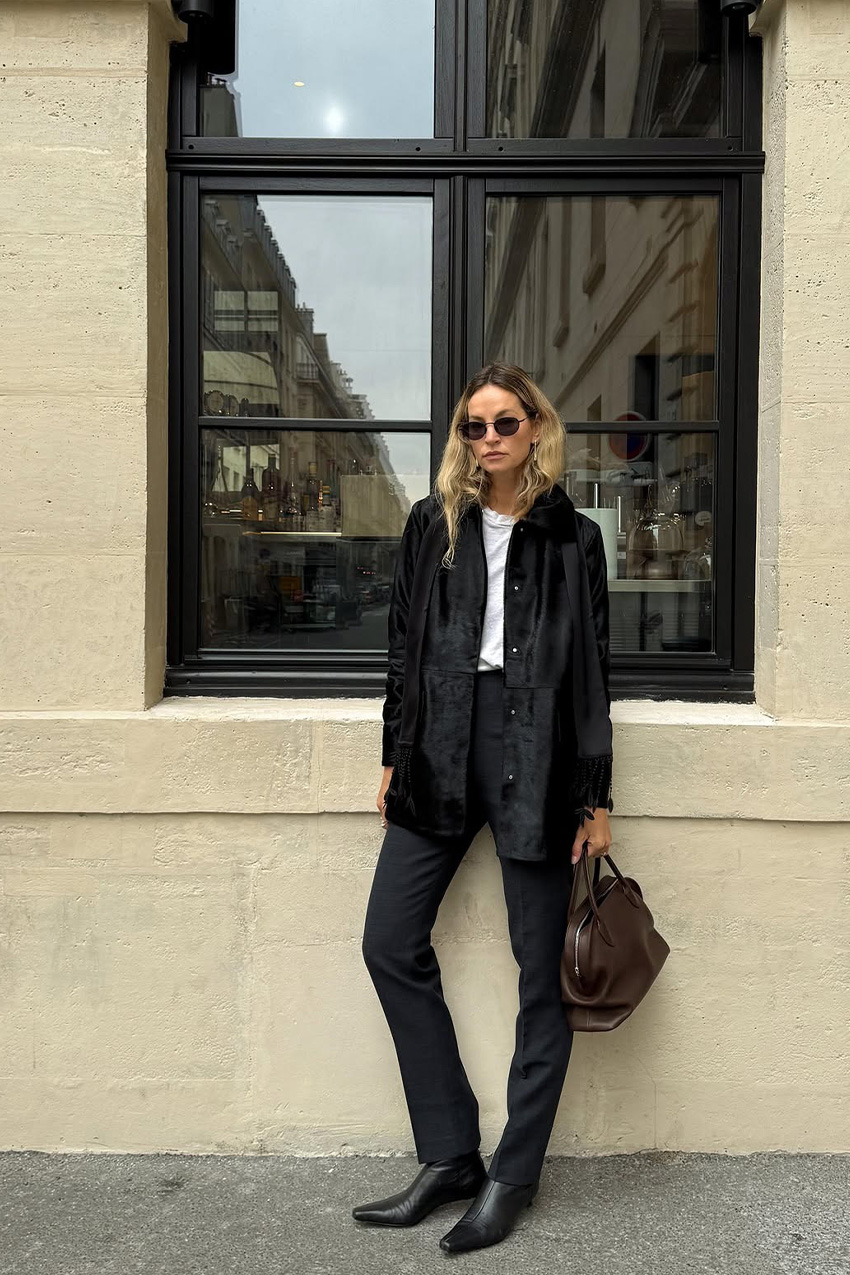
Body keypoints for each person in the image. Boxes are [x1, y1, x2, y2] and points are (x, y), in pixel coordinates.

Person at [353, 361, 615, 1254]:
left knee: (540, 970)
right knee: (389, 939)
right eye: (474, 426)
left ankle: (512, 1173)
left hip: (535, 749)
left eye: (506, 422)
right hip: (440, 743)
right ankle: (449, 1152)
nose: (490, 438)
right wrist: (395, 754)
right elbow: (401, 648)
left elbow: (591, 675)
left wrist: (594, 793)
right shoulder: (434, 526)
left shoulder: (574, 538)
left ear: (536, 427)